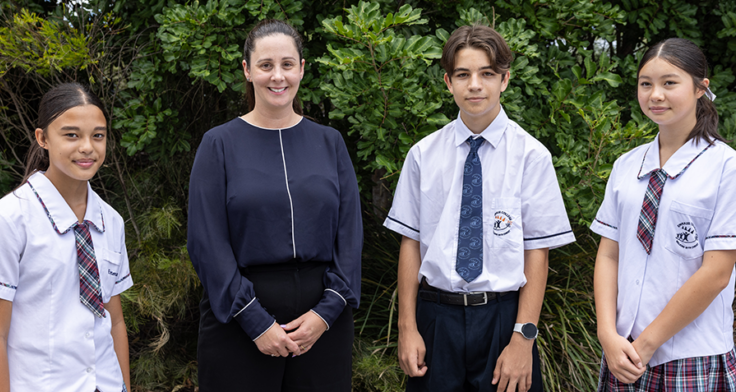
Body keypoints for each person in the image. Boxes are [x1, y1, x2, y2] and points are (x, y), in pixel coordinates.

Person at [384, 25, 575, 392]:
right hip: (436, 320)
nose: (474, 84)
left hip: (504, 321)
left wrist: (524, 339)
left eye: (487, 73)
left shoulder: (531, 156)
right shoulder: (423, 155)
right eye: (463, 74)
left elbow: (537, 252)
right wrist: (407, 328)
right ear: (447, 81)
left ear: (504, 80)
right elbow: (410, 243)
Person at [187, 18, 362, 392]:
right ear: (248, 71)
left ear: (301, 69)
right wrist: (254, 320)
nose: (277, 76)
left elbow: (349, 236)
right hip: (238, 319)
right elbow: (207, 242)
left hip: (321, 320)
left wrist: (326, 312)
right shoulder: (218, 145)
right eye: (266, 65)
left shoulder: (330, 142)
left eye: (287, 64)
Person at [591, 38, 736, 391]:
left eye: (670, 83)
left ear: (701, 88)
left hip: (690, 356)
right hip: (624, 351)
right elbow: (609, 253)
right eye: (646, 83)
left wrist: (647, 344)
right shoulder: (626, 166)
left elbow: (715, 273)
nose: (655, 95)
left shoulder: (730, 169)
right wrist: (607, 333)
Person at [0, 83, 132, 392]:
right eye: (72, 135)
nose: (87, 147)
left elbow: (115, 322)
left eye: (98, 135)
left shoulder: (110, 221)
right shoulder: (5, 220)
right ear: (42, 138)